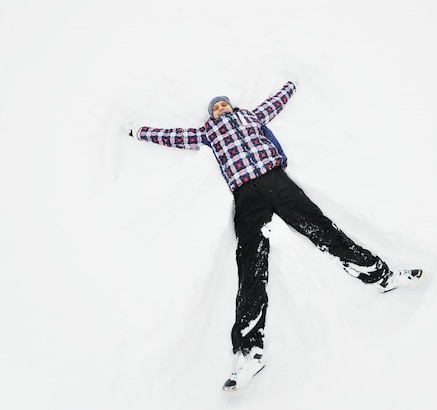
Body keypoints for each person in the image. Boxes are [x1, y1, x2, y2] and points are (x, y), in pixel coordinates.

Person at [128, 81, 422, 391]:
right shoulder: (207, 133)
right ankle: (250, 351)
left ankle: (380, 275)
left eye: (224, 104)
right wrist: (138, 131)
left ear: (232, 105)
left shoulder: (251, 117)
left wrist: (292, 84)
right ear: (210, 115)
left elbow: (274, 103)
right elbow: (172, 136)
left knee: (323, 230)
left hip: (277, 182)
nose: (221, 109)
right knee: (251, 265)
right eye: (215, 108)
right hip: (247, 196)